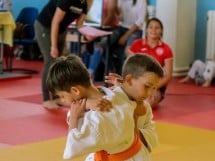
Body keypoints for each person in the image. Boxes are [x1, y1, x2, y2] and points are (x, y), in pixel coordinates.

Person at [46, 54, 163, 161]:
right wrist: (86, 103)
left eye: (62, 96)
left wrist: (73, 120)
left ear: (75, 90)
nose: (63, 101)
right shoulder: (113, 93)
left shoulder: (100, 117)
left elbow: (73, 148)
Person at [106, 17, 173, 109]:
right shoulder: (137, 44)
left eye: (157, 28)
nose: (153, 30)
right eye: (151, 27)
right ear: (146, 30)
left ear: (161, 31)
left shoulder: (166, 48)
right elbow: (130, 67)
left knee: (147, 104)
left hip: (155, 84)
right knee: (115, 99)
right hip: (137, 82)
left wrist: (153, 88)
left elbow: (168, 75)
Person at [34, 0, 89, 109]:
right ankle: (46, 99)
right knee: (50, 60)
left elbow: (79, 25)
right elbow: (55, 21)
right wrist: (53, 46)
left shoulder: (84, 4)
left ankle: (56, 97)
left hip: (61, 30)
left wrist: (89, 34)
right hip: (45, 26)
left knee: (58, 62)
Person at [88, 0, 147, 79]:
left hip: (135, 30)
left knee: (128, 51)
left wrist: (125, 36)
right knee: (101, 46)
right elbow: (120, 18)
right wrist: (115, 9)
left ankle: (130, 78)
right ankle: (91, 73)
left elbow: (140, 21)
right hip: (121, 28)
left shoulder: (141, 1)